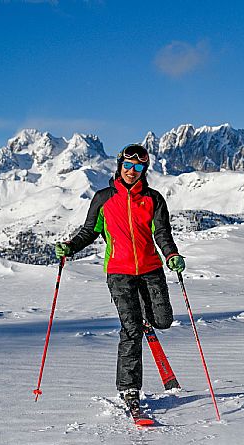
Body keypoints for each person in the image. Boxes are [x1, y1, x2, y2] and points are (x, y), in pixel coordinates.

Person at [55, 143, 185, 414]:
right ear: (119, 165)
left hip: (151, 269)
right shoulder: (104, 198)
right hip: (119, 272)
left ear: (144, 170)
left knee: (163, 320)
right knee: (131, 330)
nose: (132, 171)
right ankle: (129, 388)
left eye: (138, 167)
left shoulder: (153, 199)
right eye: (128, 165)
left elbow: (162, 233)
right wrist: (70, 246)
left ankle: (144, 319)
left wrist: (171, 254)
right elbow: (89, 231)